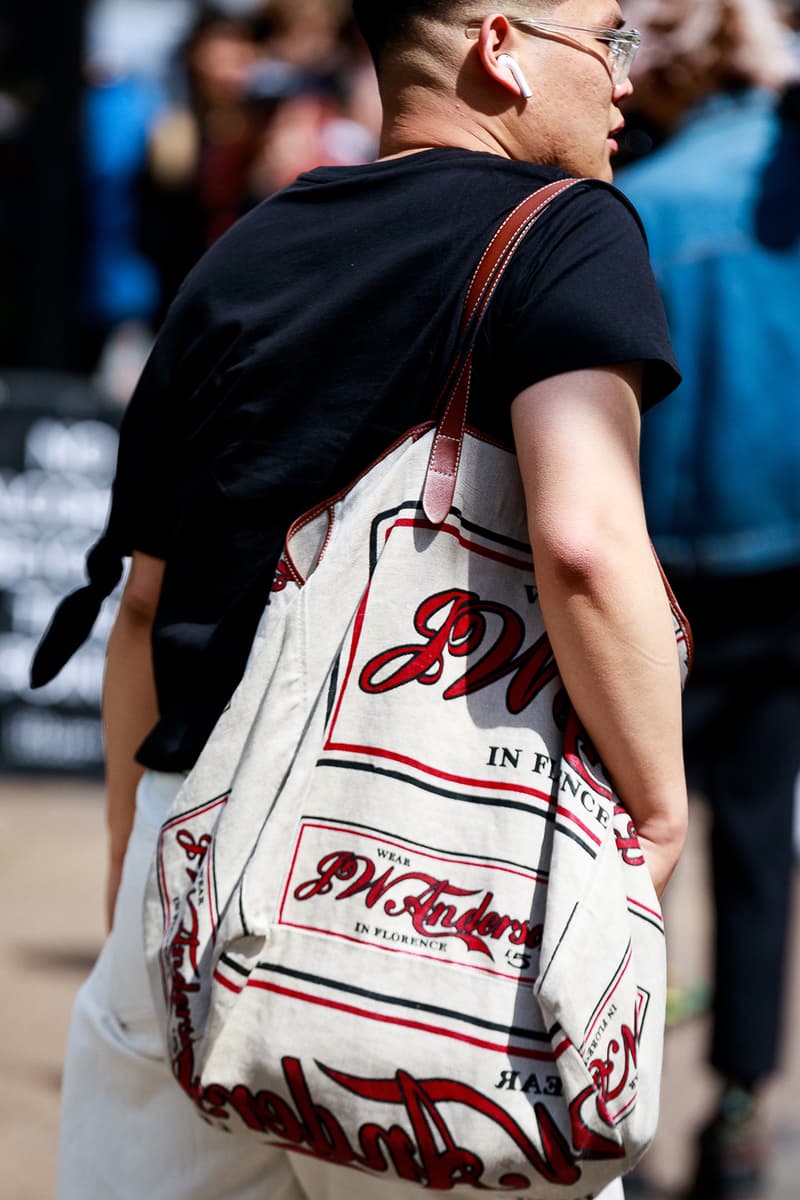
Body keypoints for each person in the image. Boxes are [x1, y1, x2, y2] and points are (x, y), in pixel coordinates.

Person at [32, 3, 688, 1197]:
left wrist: (141, 849)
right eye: (608, 38)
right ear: (501, 45)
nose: (623, 85)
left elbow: (142, 605)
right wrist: (656, 807)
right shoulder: (568, 232)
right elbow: (586, 540)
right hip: (437, 894)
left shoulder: (244, 249)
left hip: (188, 861)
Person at [617, 2, 800, 1197]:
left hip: (652, 571)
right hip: (782, 562)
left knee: (631, 839)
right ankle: (737, 1108)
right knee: (753, 843)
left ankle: (608, 1100)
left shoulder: (635, 203)